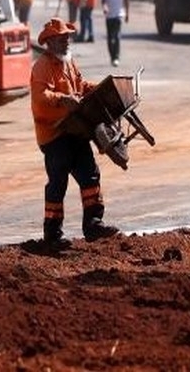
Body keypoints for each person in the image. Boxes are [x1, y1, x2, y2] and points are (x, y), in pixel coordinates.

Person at [31, 17, 120, 250]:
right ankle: (52, 236)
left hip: (75, 130)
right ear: (49, 42)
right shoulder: (42, 67)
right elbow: (41, 97)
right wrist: (62, 99)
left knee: (90, 175)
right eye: (62, 38)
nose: (66, 41)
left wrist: (99, 89)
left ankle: (93, 224)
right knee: (58, 183)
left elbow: (80, 85)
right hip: (54, 135)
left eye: (67, 37)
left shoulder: (69, 62)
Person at [101, 0, 130, 67]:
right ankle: (112, 56)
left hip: (118, 14)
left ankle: (116, 57)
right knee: (110, 38)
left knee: (117, 36)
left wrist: (127, 14)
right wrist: (104, 7)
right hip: (109, 15)